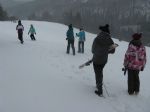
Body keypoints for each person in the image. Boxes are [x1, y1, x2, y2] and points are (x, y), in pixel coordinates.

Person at [92, 24, 115, 96]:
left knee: (98, 73)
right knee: (100, 72)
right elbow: (112, 51)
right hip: (104, 60)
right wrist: (106, 51)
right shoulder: (110, 40)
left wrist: (99, 52)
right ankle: (98, 84)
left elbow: (93, 50)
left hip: (96, 59)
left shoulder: (97, 38)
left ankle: (100, 90)